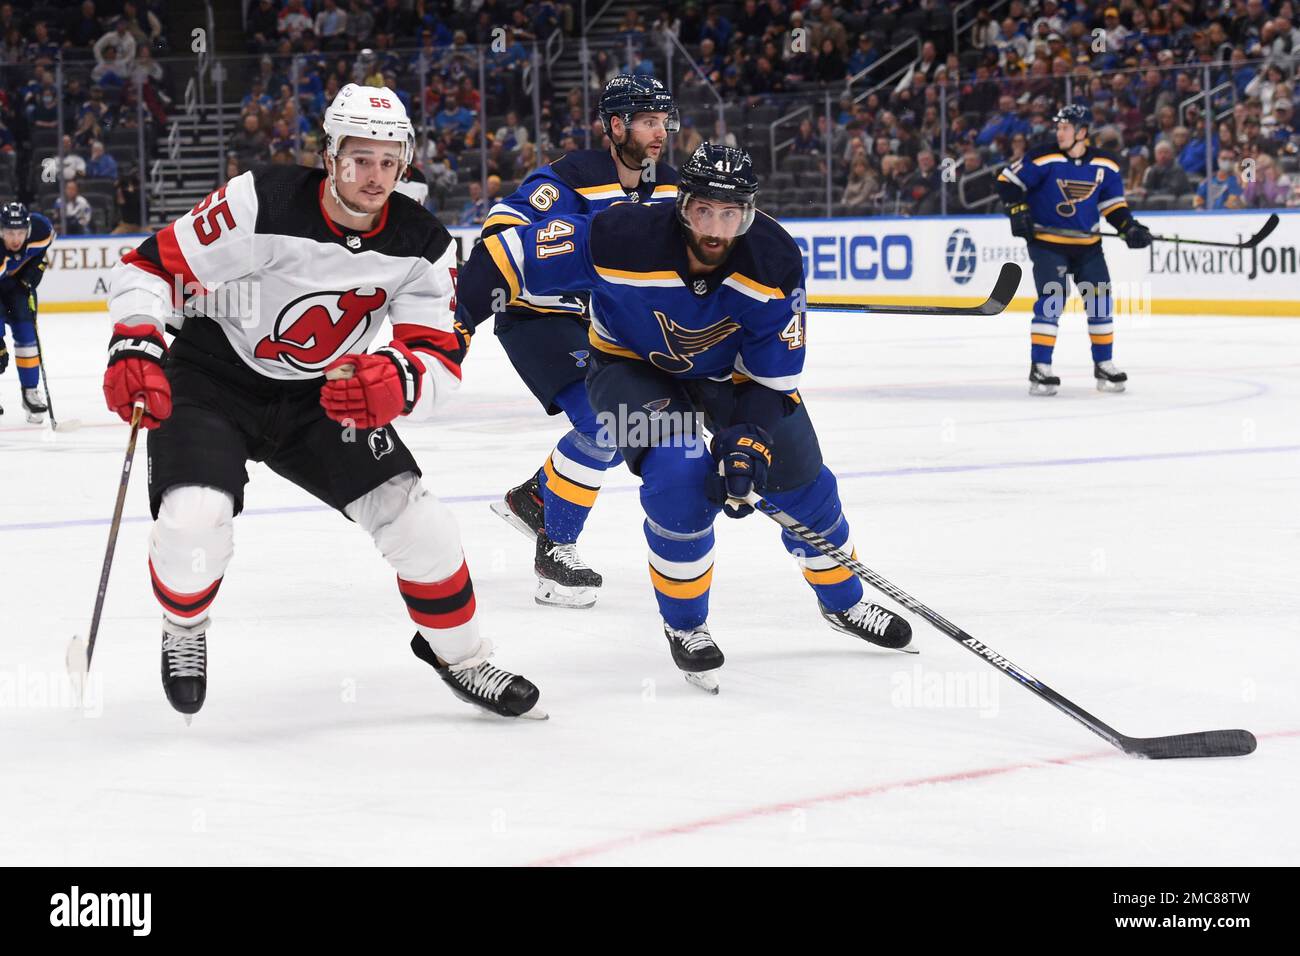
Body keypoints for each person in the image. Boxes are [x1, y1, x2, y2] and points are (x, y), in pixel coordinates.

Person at [101, 84, 544, 720]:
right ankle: (185, 625)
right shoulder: (262, 200)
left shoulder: (422, 242)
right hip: (213, 376)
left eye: (390, 161)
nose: (376, 176)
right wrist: (135, 343)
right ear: (330, 155)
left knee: (419, 522)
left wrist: (398, 380)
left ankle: (464, 656)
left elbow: (440, 355)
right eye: (361, 158)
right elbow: (149, 268)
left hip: (323, 397)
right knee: (194, 519)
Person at [456, 143, 912, 693]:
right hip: (624, 370)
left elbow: (771, 383)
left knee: (803, 484)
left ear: (749, 213)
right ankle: (686, 624)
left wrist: (748, 442)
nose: (716, 229)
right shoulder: (619, 234)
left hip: (731, 379)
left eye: (731, 214)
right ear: (682, 205)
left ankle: (844, 602)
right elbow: (501, 256)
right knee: (680, 474)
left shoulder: (775, 261)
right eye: (703, 211)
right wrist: (454, 329)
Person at [475, 74, 681, 609]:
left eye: (664, 122)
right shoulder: (574, 175)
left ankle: (535, 498)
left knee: (625, 430)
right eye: (648, 121)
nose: (660, 133)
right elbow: (500, 231)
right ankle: (555, 553)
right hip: (535, 316)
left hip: (598, 327)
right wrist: (557, 254)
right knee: (603, 424)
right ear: (616, 125)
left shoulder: (670, 187)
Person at [996, 103, 1152, 396]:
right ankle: (1040, 368)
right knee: (1052, 301)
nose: (1060, 132)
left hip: (1088, 246)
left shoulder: (1106, 165)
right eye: (1058, 127)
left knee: (1100, 301)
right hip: (1047, 244)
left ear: (1082, 132)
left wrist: (1129, 227)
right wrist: (1018, 209)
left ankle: (1104, 363)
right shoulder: (1043, 157)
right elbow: (1007, 182)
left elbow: (1113, 206)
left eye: (1065, 127)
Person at [0, 203, 54, 422]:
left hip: (17, 289)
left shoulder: (41, 229)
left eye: (20, 232)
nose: (16, 239)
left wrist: (31, 274)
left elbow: (41, 255)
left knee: (27, 337)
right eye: (10, 233)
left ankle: (30, 392)